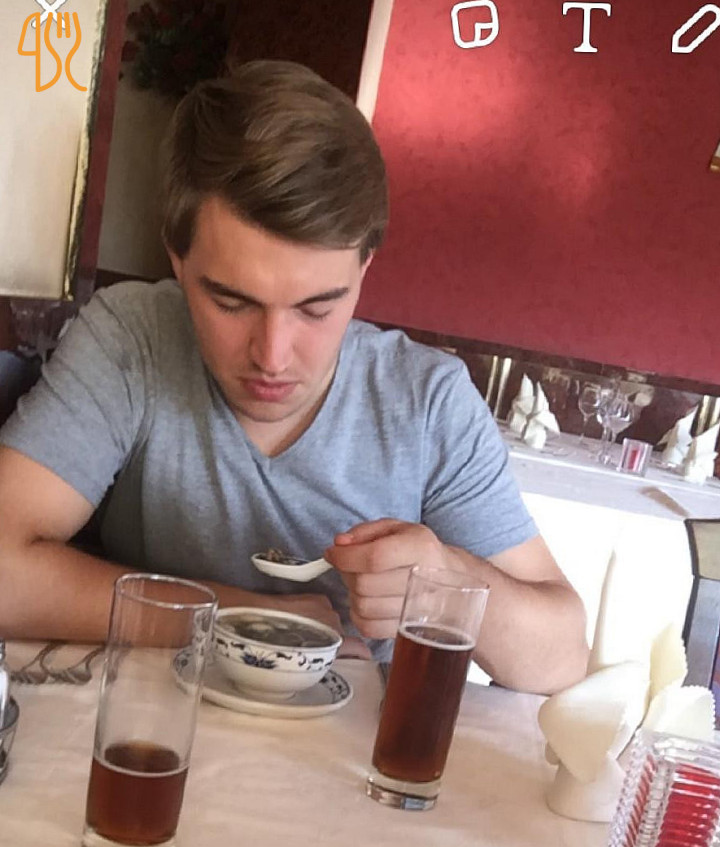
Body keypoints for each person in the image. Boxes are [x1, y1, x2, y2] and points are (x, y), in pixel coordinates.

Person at [0, 60, 587, 693]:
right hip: (150, 729)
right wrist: (246, 617)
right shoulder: (131, 337)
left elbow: (560, 660)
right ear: (177, 257)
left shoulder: (427, 402)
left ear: (364, 267)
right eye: (231, 302)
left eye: (316, 308)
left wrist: (445, 583)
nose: (273, 357)